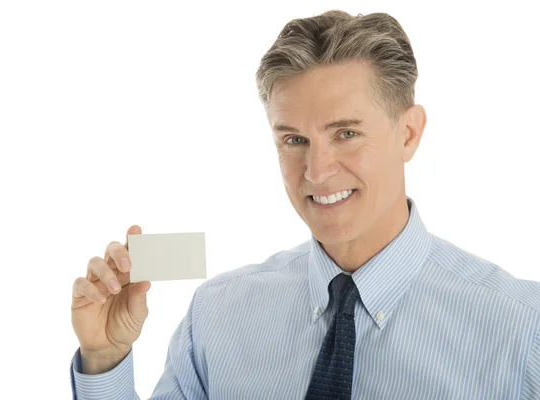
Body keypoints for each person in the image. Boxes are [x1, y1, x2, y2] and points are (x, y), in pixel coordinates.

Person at [69, 10, 540, 399]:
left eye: (346, 134)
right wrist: (104, 360)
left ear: (408, 133)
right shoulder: (217, 318)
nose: (316, 171)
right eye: (294, 139)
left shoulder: (522, 331)